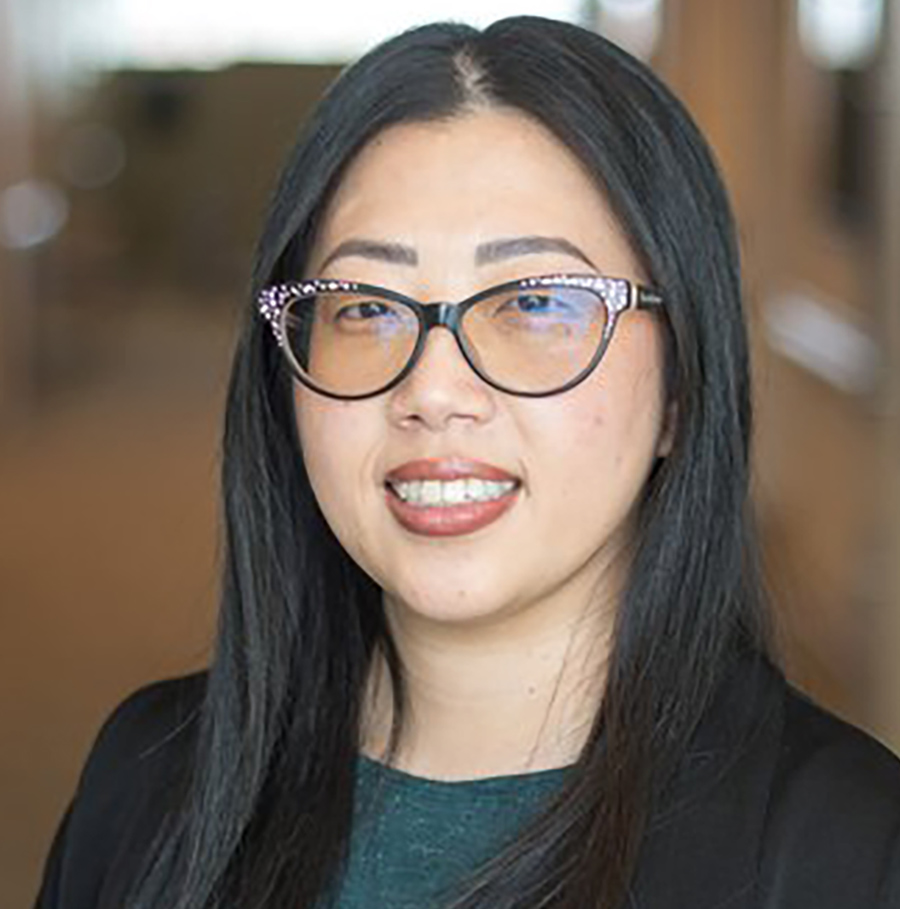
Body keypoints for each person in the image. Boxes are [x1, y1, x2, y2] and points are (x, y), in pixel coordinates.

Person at [33, 15, 900, 909]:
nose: (434, 390)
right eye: (366, 308)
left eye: (535, 302)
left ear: (680, 385)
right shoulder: (143, 783)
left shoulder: (849, 854)